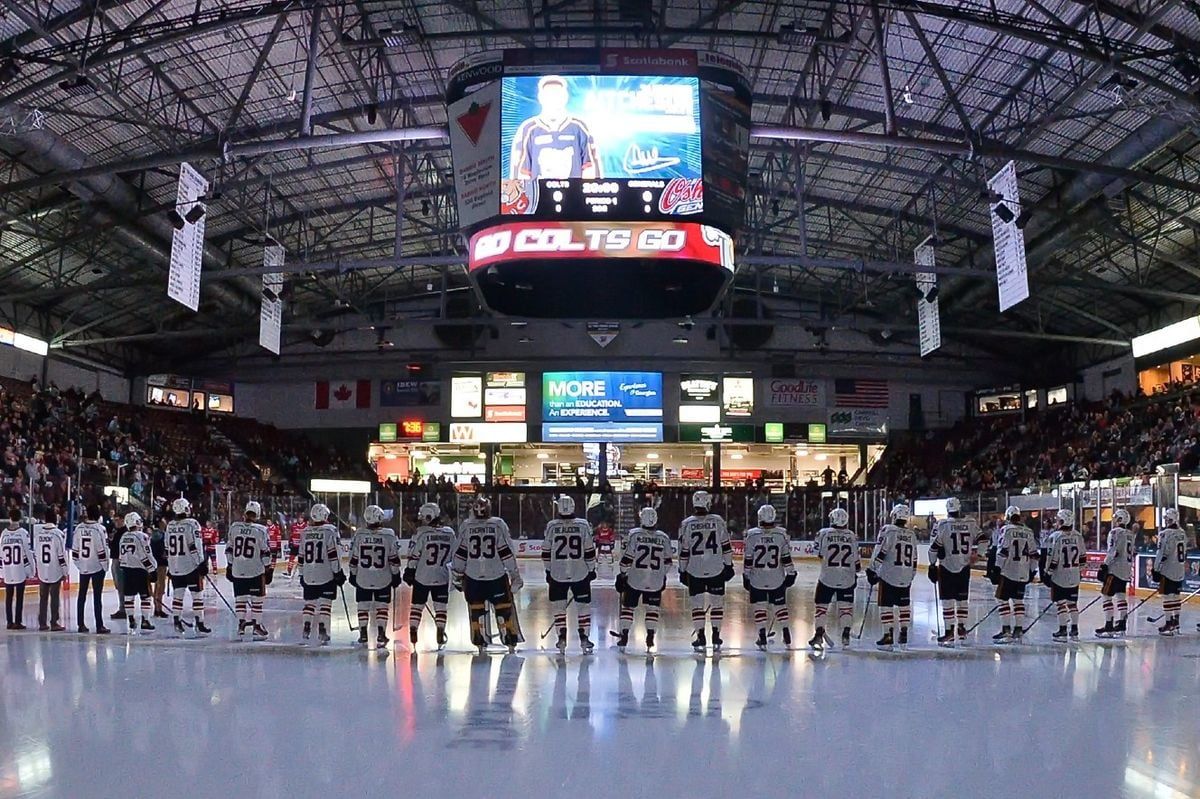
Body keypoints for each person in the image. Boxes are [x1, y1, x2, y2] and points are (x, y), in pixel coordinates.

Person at [452, 496, 523, 654]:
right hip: (496, 575)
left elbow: (460, 553)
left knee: (476, 610)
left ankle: (479, 640)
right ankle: (510, 640)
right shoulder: (497, 525)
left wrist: (457, 574)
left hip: (473, 577)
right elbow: (506, 551)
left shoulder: (466, 526)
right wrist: (514, 574)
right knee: (504, 609)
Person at [508, 75, 599, 182]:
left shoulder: (579, 127)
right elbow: (522, 173)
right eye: (549, 94)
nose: (553, 98)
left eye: (557, 94)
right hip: (539, 196)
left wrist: (582, 195)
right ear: (541, 98)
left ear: (564, 97)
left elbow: (590, 167)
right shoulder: (528, 129)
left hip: (574, 194)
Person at [678, 490, 734, 653]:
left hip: (694, 569)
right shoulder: (718, 521)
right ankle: (716, 635)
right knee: (717, 604)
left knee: (697, 606)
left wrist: (682, 570)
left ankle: (701, 636)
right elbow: (726, 547)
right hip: (716, 568)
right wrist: (728, 565)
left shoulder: (686, 523)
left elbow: (684, 551)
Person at [542, 495, 597, 654]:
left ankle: (561, 638)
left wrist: (548, 570)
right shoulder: (583, 525)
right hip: (580, 572)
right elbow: (589, 550)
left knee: (559, 608)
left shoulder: (552, 526)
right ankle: (584, 638)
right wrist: (591, 569)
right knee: (583, 607)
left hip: (557, 573)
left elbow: (546, 552)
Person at [614, 507, 672, 653]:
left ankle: (624, 636)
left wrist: (622, 574)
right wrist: (661, 575)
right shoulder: (663, 538)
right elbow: (668, 562)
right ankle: (650, 637)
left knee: (628, 608)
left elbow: (626, 559)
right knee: (652, 609)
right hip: (654, 580)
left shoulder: (634, 534)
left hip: (635, 578)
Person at [928, 497, 982, 646]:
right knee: (962, 600)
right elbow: (983, 539)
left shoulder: (942, 525)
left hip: (946, 567)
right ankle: (962, 629)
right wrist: (980, 554)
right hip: (964, 566)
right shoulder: (970, 523)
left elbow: (933, 548)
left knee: (947, 601)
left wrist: (932, 565)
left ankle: (949, 632)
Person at [348, 504, 402, 649]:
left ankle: (363, 633)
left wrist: (353, 574)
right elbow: (394, 559)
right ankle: (381, 633)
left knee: (363, 606)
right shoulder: (389, 534)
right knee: (382, 607)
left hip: (363, 577)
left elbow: (353, 558)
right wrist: (396, 575)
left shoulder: (359, 535)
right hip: (383, 578)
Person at [743, 504, 796, 650]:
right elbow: (786, 558)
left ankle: (762, 636)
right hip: (776, 578)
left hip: (757, 578)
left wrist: (745, 576)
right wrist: (791, 573)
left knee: (760, 607)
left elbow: (748, 559)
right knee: (780, 606)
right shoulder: (781, 534)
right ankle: (786, 632)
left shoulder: (752, 534)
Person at [404, 502, 454, 649]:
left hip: (422, 576)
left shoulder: (420, 533)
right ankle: (440, 629)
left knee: (417, 607)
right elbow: (455, 555)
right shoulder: (449, 533)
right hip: (442, 576)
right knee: (440, 608)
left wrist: (409, 571)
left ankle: (413, 629)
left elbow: (413, 555)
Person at [868, 504, 918, 650]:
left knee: (886, 605)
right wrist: (911, 574)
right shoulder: (912, 534)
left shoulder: (888, 530)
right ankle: (904, 633)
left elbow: (881, 551)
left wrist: (872, 569)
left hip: (889, 574)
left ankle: (888, 635)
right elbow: (914, 557)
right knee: (904, 605)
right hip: (906, 574)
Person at [812, 506, 860, 649]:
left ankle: (819, 634)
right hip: (847, 578)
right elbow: (856, 561)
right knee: (846, 609)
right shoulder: (851, 535)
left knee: (821, 607)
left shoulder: (823, 533)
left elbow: (819, 554)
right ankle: (845, 634)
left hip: (827, 577)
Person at [988, 505, 1037, 642]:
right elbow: (1034, 555)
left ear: (1008, 517)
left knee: (1001, 599)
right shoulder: (1028, 531)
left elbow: (1003, 551)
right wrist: (1032, 571)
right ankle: (1018, 629)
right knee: (1018, 600)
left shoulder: (1006, 530)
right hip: (1023, 571)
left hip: (1009, 571)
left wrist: (997, 568)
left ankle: (1006, 630)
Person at [298, 503, 344, 646]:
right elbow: (334, 554)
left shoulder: (305, 532)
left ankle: (306, 627)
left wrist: (301, 574)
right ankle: (323, 629)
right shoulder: (330, 530)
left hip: (309, 573)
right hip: (326, 574)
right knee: (325, 604)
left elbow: (301, 556)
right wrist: (338, 572)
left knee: (309, 603)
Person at [225, 501, 272, 640]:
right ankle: (257, 626)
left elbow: (229, 549)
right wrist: (268, 568)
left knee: (240, 599)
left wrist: (230, 565)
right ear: (257, 514)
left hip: (238, 569)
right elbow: (265, 553)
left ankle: (241, 625)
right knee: (257, 600)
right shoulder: (261, 530)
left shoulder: (234, 527)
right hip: (255, 570)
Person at [165, 498, 210, 637]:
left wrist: (170, 565)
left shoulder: (170, 525)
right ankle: (200, 622)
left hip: (175, 566)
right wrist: (201, 562)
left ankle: (177, 622)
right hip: (190, 566)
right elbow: (194, 545)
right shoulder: (192, 524)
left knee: (178, 596)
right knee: (197, 595)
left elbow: (166, 548)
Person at [1043, 508, 1084, 641]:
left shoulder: (1056, 537)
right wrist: (1080, 572)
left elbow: (1053, 558)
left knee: (1061, 603)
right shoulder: (1078, 536)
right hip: (1074, 575)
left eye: (1058, 520)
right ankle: (1075, 628)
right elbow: (1083, 557)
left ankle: (1062, 629)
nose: (1057, 522)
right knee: (1072, 603)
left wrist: (1047, 572)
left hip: (1060, 575)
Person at [1095, 508, 1135, 638]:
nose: (1114, 520)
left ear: (1120, 519)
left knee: (1106, 596)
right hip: (1126, 569)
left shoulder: (1115, 532)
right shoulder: (1130, 534)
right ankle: (1122, 623)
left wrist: (1104, 565)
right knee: (1121, 595)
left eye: (1116, 518)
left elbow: (1113, 551)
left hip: (1115, 569)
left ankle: (1109, 625)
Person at [72, 503, 111, 633]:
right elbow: (102, 549)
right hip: (97, 566)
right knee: (97, 596)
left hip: (84, 565)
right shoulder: (100, 529)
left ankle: (80, 624)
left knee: (81, 595)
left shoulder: (78, 528)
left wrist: (79, 564)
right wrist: (105, 565)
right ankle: (99, 625)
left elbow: (75, 549)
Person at [118, 512, 157, 633]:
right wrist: (152, 569)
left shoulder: (123, 536)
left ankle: (131, 619)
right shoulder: (142, 536)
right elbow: (146, 554)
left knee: (129, 597)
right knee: (145, 597)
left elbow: (121, 556)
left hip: (126, 570)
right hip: (140, 570)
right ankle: (145, 620)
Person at [1152, 507, 1187, 636]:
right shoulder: (1182, 532)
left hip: (1168, 570)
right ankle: (1176, 622)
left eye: (1166, 518)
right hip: (1179, 569)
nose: (1165, 520)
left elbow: (1161, 552)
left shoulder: (1164, 534)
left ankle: (1168, 623)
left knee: (1167, 596)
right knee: (1176, 596)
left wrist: (1156, 569)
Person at [34, 510, 69, 631]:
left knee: (43, 597)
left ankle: (42, 622)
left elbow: (36, 552)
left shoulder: (38, 534)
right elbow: (61, 555)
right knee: (54, 597)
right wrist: (65, 571)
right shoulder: (58, 534)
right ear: (55, 519)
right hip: (55, 569)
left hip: (43, 569)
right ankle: (54, 622)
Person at [2, 509, 35, 630]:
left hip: (8, 570)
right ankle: (18, 621)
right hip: (20, 569)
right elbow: (28, 552)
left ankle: (9, 621)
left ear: (10, 518)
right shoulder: (23, 533)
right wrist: (31, 569)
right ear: (20, 519)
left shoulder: (4, 534)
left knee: (9, 597)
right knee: (19, 597)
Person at [108, 511, 127, 620]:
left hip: (120, 561)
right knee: (118, 585)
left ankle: (123, 608)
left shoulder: (124, 532)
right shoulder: (116, 531)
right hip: (115, 559)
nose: (115, 522)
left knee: (121, 585)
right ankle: (122, 607)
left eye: (117, 520)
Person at [149, 513, 169, 618]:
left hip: (156, 562)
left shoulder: (154, 534)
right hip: (160, 563)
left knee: (158, 586)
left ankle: (157, 607)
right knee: (160, 586)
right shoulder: (160, 535)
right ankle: (158, 608)